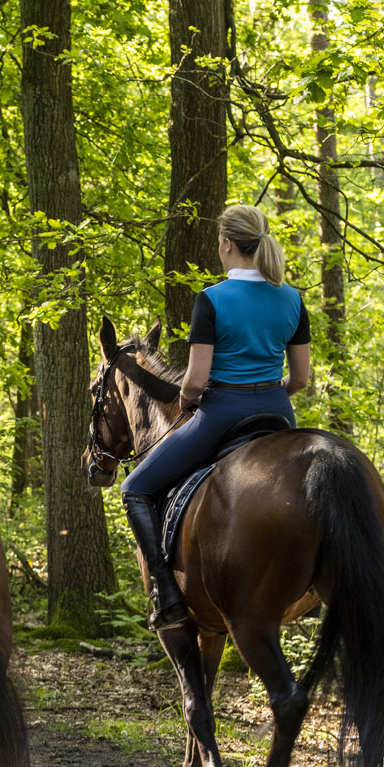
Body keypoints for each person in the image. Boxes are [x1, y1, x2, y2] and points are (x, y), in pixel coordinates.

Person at [119, 204, 311, 630]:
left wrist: (188, 400)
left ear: (227, 245)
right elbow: (300, 378)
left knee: (134, 488)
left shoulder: (211, 300)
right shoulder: (293, 299)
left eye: (220, 245)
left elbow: (193, 383)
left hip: (223, 412)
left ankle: (166, 596)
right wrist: (272, 393)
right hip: (278, 413)